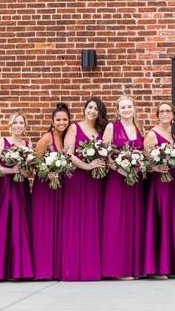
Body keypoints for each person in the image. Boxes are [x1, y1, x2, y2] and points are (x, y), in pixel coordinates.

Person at [60, 98, 108, 281]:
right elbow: (68, 153)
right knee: (75, 220)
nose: (92, 111)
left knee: (92, 222)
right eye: (90, 107)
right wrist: (87, 166)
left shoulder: (101, 131)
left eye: (96, 109)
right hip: (77, 179)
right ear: (84, 109)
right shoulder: (74, 128)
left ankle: (90, 268)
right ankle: (72, 268)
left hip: (95, 182)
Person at [0, 113, 35, 281]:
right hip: (5, 188)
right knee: (2, 223)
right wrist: (12, 170)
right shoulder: (2, 142)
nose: (18, 125)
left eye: (21, 122)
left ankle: (20, 270)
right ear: (10, 125)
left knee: (20, 225)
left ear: (25, 126)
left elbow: (30, 172)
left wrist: (25, 170)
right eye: (16, 122)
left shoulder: (28, 144)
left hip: (21, 187)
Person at [100, 96, 146, 279]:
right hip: (117, 181)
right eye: (123, 107)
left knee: (134, 221)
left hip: (135, 182)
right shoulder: (112, 128)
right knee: (116, 222)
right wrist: (120, 170)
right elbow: (103, 154)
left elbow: (145, 155)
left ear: (134, 109)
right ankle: (117, 269)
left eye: (129, 106)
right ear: (117, 111)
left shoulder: (140, 129)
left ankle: (134, 267)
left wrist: (138, 167)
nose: (126, 109)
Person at [142, 102, 175, 278]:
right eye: (162, 111)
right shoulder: (152, 134)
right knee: (159, 220)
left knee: (170, 220)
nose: (165, 114)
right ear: (157, 115)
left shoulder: (173, 135)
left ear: (173, 115)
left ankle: (169, 265)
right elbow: (144, 163)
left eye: (168, 111)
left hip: (172, 183)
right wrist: (155, 169)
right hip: (159, 184)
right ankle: (157, 268)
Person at [31, 103, 70, 280]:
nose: (62, 122)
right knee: (44, 226)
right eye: (58, 120)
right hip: (45, 187)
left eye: (64, 119)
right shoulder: (47, 138)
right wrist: (47, 172)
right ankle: (43, 270)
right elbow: (34, 163)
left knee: (59, 226)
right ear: (52, 121)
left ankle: (57, 269)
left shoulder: (68, 137)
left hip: (61, 187)